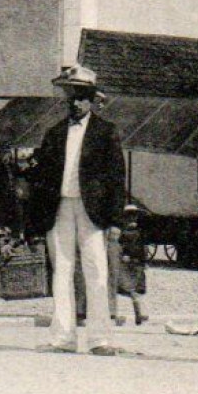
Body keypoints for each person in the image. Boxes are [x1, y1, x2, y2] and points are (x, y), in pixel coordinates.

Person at [26, 65, 127, 357]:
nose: (76, 102)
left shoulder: (106, 132)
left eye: (82, 97)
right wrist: (35, 221)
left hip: (92, 210)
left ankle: (100, 339)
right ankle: (62, 338)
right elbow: (42, 179)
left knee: (96, 270)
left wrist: (116, 219)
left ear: (93, 98)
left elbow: (116, 178)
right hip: (59, 208)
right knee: (62, 270)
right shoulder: (54, 133)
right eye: (72, 96)